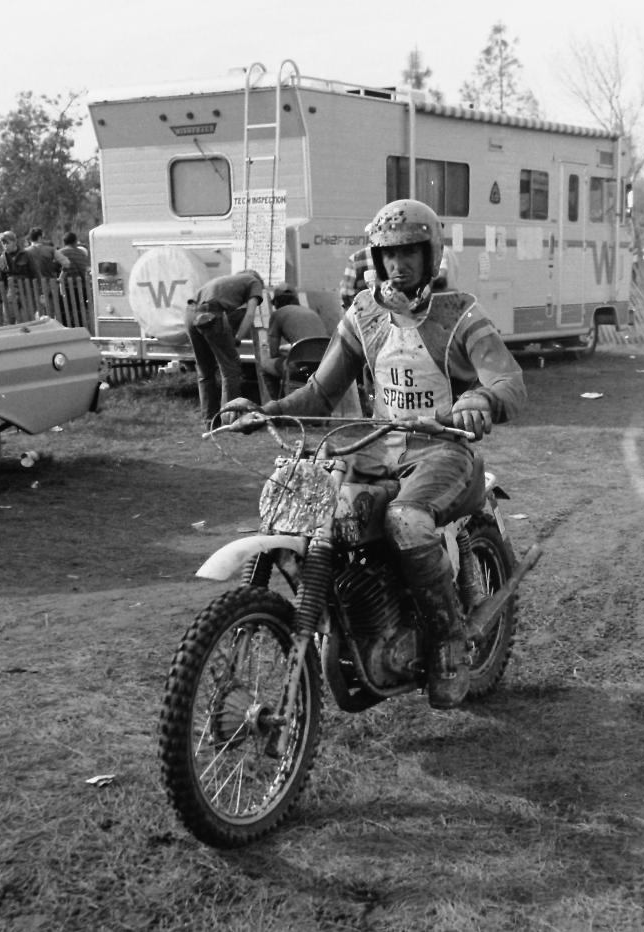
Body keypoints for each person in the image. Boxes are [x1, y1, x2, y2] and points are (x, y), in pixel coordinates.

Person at [222, 199, 526, 709]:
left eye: (409, 252)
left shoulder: (460, 314)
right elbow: (320, 392)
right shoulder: (363, 315)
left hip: (443, 450)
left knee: (406, 518)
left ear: (430, 255)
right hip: (376, 448)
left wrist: (481, 398)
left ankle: (449, 644)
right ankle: (356, 622)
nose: (398, 265)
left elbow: (508, 379)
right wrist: (265, 410)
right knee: (311, 504)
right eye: (388, 254)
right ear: (374, 257)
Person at [184, 269, 264, 429]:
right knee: (231, 369)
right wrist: (237, 339)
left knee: (205, 372)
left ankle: (209, 423)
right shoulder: (254, 282)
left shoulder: (228, 280)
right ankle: (228, 421)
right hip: (210, 314)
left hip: (190, 313)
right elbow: (249, 314)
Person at [261, 287, 330, 397]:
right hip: (324, 365)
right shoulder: (311, 312)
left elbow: (273, 353)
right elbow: (308, 343)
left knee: (265, 365)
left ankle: (278, 406)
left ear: (277, 302)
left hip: (299, 367)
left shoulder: (278, 314)